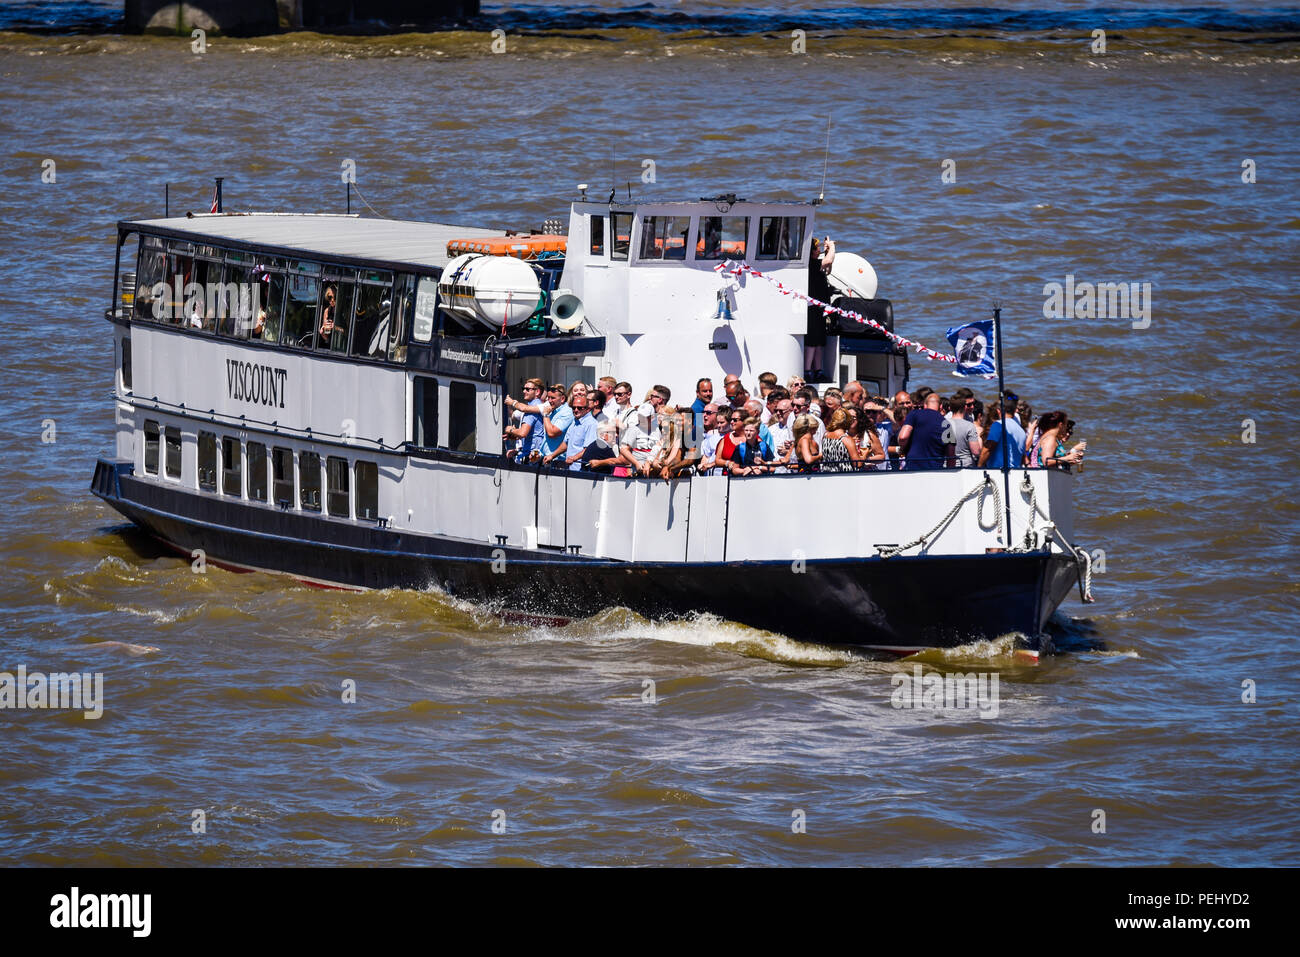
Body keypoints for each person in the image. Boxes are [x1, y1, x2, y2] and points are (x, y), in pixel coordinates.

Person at [898, 392, 953, 470]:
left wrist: (902, 449)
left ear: (925, 405)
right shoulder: (947, 424)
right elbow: (951, 455)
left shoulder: (914, 414)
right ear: (941, 406)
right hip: (935, 470)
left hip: (912, 466)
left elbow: (903, 437)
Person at [806, 236, 835, 381]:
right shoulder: (810, 264)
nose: (819, 251)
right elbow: (828, 261)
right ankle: (807, 370)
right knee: (812, 340)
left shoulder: (816, 264)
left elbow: (828, 268)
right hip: (811, 308)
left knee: (819, 341)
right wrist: (832, 248)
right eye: (816, 249)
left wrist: (828, 250)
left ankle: (817, 369)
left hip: (819, 308)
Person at [978, 397, 1027, 470]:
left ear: (998, 411)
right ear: (1014, 412)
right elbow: (1022, 458)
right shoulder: (1021, 431)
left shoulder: (998, 425)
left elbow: (988, 449)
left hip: (999, 472)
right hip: (1015, 473)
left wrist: (978, 467)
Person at [945, 394, 982, 468]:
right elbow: (976, 451)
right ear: (965, 407)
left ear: (950, 408)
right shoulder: (969, 426)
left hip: (946, 465)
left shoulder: (943, 424)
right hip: (966, 466)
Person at [820, 408, 858, 472]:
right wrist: (865, 454)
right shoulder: (846, 439)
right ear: (847, 421)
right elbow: (857, 463)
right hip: (844, 476)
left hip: (827, 475)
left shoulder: (825, 435)